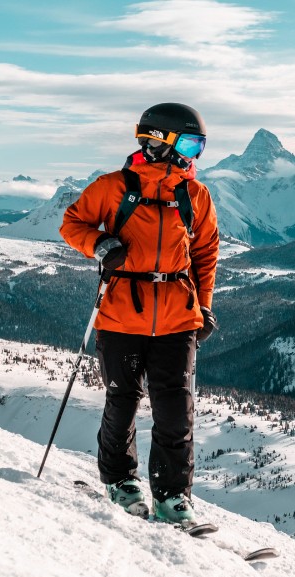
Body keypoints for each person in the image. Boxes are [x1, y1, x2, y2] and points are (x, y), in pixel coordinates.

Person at [60, 102, 219, 524]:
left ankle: (172, 497)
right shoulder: (113, 188)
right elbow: (72, 223)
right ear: (159, 141)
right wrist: (99, 245)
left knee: (175, 409)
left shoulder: (195, 195)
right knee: (123, 399)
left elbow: (205, 253)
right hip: (120, 315)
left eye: (198, 145)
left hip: (177, 317)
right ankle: (120, 481)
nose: (194, 154)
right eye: (189, 143)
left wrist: (203, 306)